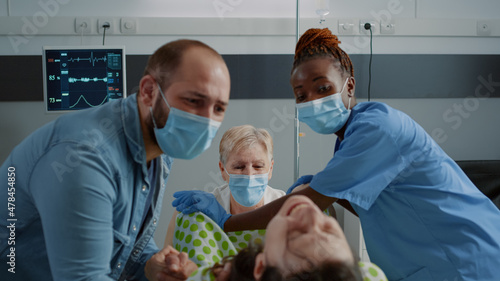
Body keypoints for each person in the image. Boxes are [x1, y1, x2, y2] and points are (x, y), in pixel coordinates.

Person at [172, 28, 500, 281]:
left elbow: (314, 200)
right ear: (222, 169)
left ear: (349, 85)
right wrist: (332, 195)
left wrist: (227, 221)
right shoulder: (350, 136)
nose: (312, 99)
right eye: (301, 94)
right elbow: (373, 203)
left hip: (465, 259)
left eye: (323, 88)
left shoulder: (378, 129)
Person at [0, 39, 230, 281]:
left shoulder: (159, 144)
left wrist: (153, 264)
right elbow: (84, 278)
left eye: (218, 109)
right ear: (149, 91)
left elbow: (127, 247)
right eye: (193, 101)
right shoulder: (84, 158)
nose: (206, 120)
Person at [172, 195, 386, 281]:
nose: (313, 215)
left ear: (260, 266)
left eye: (295, 236)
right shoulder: (366, 275)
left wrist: (199, 275)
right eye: (328, 231)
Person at [164, 125, 285, 246]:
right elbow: (168, 258)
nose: (249, 174)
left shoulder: (286, 207)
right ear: (222, 170)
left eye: (258, 166)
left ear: (270, 169)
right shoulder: (203, 210)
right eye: (239, 167)